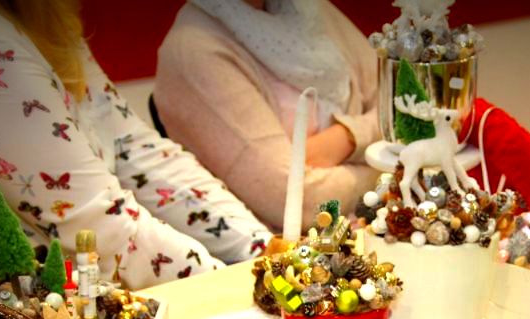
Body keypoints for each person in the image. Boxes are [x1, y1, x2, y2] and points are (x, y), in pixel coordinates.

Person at [0, 0, 273, 289]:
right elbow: (100, 227)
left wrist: (264, 252)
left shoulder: (32, 21)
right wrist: (255, 288)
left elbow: (139, 153)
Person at [153, 0, 381, 230]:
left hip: (370, 218)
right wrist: (387, 166)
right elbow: (300, 202)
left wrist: (347, 137)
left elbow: (394, 102)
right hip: (286, 245)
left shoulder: (306, 8)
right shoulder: (193, 50)